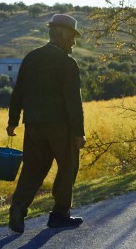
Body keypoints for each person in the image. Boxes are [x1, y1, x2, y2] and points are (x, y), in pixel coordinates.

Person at [5, 13, 87, 233]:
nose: (73, 42)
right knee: (67, 168)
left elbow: (18, 92)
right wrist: (79, 132)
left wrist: (13, 121)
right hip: (61, 127)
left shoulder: (31, 58)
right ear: (61, 35)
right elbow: (73, 100)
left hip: (33, 126)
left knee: (32, 168)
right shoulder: (67, 63)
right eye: (72, 36)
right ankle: (59, 215)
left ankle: (18, 207)